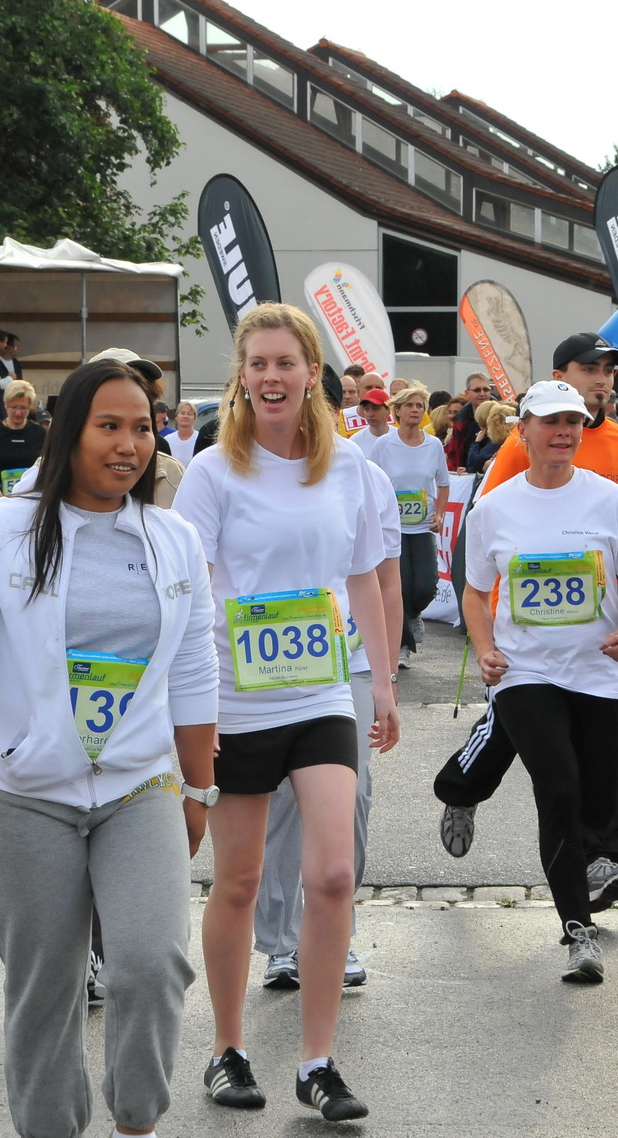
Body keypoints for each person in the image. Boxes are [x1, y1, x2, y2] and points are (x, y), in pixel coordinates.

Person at [0, 358, 214, 1138]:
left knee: (151, 963)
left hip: (140, 787)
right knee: (43, 987)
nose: (129, 444)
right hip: (24, 793)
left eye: (143, 427)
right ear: (67, 431)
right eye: (108, 425)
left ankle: (137, 1118)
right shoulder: (1, 527)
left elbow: (194, 666)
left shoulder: (172, 537)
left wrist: (199, 786)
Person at [172, 302, 397, 1122]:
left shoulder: (351, 469)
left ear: (311, 375)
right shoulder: (212, 470)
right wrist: (187, 705)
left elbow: (368, 574)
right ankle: (227, 1050)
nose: (270, 377)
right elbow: (187, 586)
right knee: (236, 881)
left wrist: (381, 683)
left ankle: (317, 1060)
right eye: (257, 364)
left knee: (332, 873)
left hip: (320, 694)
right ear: (242, 375)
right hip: (235, 700)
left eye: (285, 364)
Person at [434, 332, 618, 910]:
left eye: (609, 370)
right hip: (521, 625)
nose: (602, 379)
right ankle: (461, 789)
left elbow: (617, 531)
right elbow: (494, 534)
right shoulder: (516, 453)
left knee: (593, 748)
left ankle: (606, 856)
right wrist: (491, 634)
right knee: (523, 735)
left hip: (591, 629)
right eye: (590, 368)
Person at [462, 379, 618, 981]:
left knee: (596, 794)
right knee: (559, 786)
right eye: (551, 422)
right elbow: (473, 592)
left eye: (574, 421)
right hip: (526, 671)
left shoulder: (612, 501)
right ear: (522, 431)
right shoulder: (493, 508)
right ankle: (577, 929)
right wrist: (487, 648)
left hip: (598, 670)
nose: (565, 432)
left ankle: (460, 788)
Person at [257, 375, 404, 994]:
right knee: (280, 806)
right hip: (261, 661)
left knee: (352, 800)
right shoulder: (233, 469)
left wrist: (384, 676)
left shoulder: (363, 477)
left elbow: (383, 582)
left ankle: (333, 933)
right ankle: (282, 944)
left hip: (346, 665)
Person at [365, 385, 449, 670]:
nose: (415, 410)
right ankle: (402, 645)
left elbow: (443, 482)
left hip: (422, 526)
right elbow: (372, 481)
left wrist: (439, 513)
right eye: (410, 405)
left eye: (420, 406)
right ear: (397, 411)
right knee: (398, 587)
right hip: (392, 528)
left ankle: (412, 615)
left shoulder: (433, 444)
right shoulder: (384, 444)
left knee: (425, 586)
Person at [0, 380, 48, 496]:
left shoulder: (40, 433)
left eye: (23, 408)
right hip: (0, 498)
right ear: (5, 404)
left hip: (31, 496)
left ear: (30, 406)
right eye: (14, 407)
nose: (18, 413)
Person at [444, 374, 493, 471]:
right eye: (477, 390)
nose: (482, 393)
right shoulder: (460, 419)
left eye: (486, 389)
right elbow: (454, 454)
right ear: (467, 393)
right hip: (465, 478)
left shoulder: (500, 416)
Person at [348, 387, 393, 455]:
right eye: (366, 409)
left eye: (375, 409)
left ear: (388, 410)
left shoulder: (400, 437)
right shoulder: (355, 441)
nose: (370, 414)